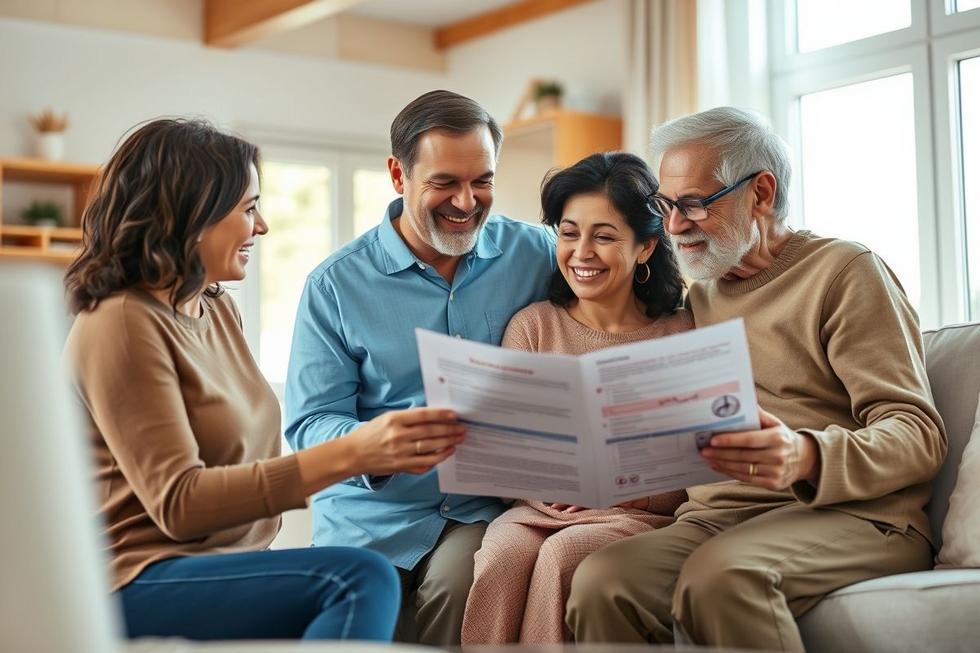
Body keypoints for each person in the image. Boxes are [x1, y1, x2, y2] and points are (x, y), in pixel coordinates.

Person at [63, 118, 466, 641]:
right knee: (356, 579)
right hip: (137, 578)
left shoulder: (216, 309)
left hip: (226, 564)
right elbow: (180, 504)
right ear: (191, 214)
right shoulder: (120, 321)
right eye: (248, 208)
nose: (263, 226)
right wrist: (355, 451)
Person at [565, 107, 947, 652]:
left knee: (723, 578)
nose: (674, 226)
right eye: (665, 206)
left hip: (854, 515)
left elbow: (917, 434)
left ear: (761, 193)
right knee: (603, 581)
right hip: (721, 517)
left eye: (693, 204)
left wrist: (805, 455)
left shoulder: (844, 271)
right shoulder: (702, 295)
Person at [284, 90, 555, 646]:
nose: (466, 201)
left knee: (462, 585)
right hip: (367, 514)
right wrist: (378, 444)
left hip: (479, 509)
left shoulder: (538, 254)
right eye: (444, 182)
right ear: (397, 175)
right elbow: (309, 423)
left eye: (482, 181)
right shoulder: (335, 285)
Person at [460, 152, 693, 645]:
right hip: (538, 511)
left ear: (646, 246)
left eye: (604, 237)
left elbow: (701, 459)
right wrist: (546, 481)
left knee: (564, 557)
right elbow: (503, 455)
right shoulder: (533, 327)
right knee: (502, 557)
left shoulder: (681, 333)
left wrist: (626, 486)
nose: (581, 252)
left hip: (638, 515)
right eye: (569, 233)